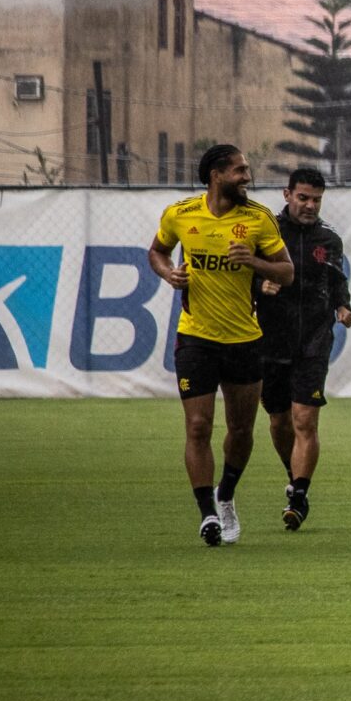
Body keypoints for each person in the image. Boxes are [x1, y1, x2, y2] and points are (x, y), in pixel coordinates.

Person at [148, 145, 296, 546]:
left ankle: (226, 494)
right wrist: (168, 274)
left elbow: (286, 272)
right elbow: (157, 252)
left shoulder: (258, 219)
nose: (246, 177)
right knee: (198, 425)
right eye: (239, 171)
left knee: (242, 429)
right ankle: (208, 514)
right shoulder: (180, 214)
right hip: (195, 336)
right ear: (215, 174)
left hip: (244, 340)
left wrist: (254, 262)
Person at [256, 165, 351, 531]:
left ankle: (298, 494)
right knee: (279, 421)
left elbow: (337, 280)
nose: (310, 205)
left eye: (316, 199)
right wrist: (259, 287)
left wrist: (343, 306)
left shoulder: (328, 239)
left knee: (305, 418)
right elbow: (248, 274)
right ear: (287, 195)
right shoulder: (266, 232)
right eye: (303, 198)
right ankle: (293, 473)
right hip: (269, 339)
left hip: (314, 338)